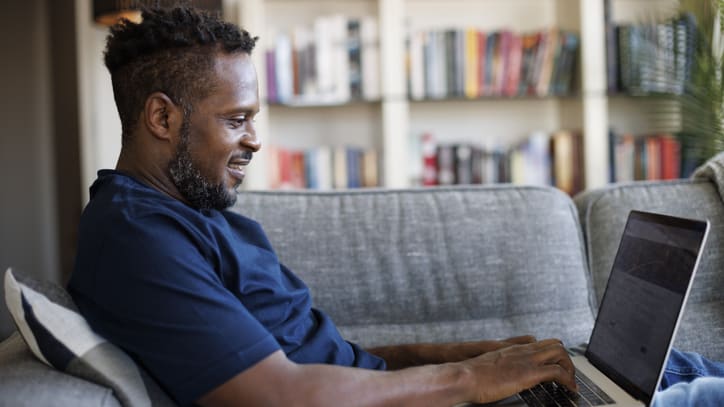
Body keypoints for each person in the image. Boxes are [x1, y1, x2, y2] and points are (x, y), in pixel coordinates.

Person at [67, 6, 724, 407]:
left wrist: (482, 351)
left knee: (669, 368)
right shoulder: (135, 238)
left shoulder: (195, 213)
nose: (256, 138)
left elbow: (338, 358)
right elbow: (283, 394)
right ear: (161, 116)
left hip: (407, 393)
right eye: (236, 119)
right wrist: (472, 376)